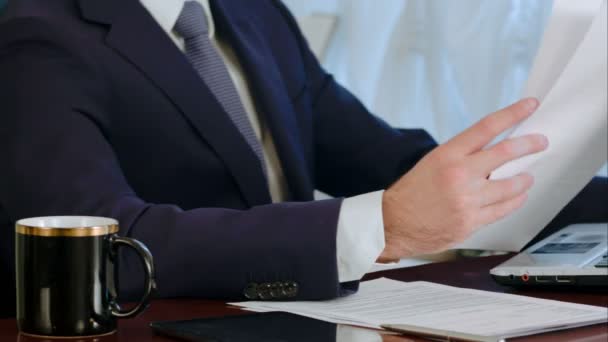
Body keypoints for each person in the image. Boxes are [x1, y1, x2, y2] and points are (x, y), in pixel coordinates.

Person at [0, 0, 605, 308]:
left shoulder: (250, 11)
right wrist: (385, 228)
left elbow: (389, 160)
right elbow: (104, 253)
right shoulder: (35, 37)